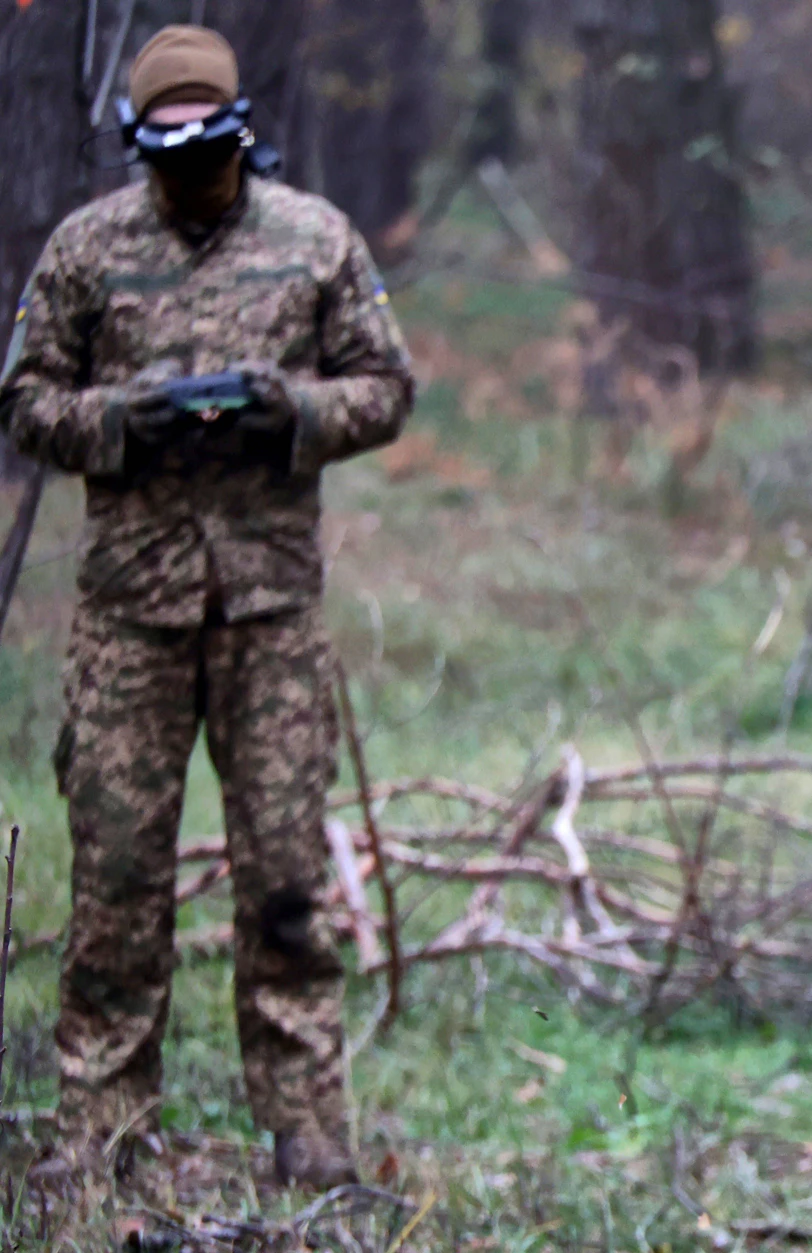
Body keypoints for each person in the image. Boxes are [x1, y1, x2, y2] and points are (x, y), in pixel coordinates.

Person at [0, 26, 414, 1187]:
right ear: (140, 147)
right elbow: (26, 400)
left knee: (283, 880)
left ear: (241, 135)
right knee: (116, 884)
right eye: (168, 153)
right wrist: (127, 419)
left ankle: (308, 1134)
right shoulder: (86, 248)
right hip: (129, 614)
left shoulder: (315, 239)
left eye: (210, 150)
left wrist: (288, 411)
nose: (191, 174)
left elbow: (388, 385)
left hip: (270, 611)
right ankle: (101, 1134)